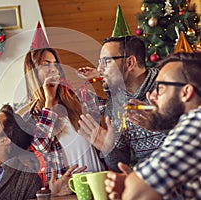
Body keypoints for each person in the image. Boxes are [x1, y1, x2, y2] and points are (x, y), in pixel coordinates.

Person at [105, 52, 201, 199]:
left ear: (186, 92)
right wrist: (135, 182)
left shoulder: (197, 122)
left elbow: (137, 193)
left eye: (160, 88)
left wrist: (137, 185)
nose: (152, 97)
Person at [20, 22, 105, 188]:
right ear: (33, 70)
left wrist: (100, 75)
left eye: (55, 63)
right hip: (70, 189)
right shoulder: (30, 116)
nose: (53, 68)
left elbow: (112, 107)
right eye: (46, 64)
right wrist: (49, 102)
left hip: (99, 179)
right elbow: (42, 146)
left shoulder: (78, 98)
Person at [77, 35, 167, 171]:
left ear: (130, 63)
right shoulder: (115, 106)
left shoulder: (170, 88)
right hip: (147, 183)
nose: (99, 69)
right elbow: (121, 166)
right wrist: (109, 150)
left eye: (106, 62)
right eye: (99, 62)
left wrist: (163, 125)